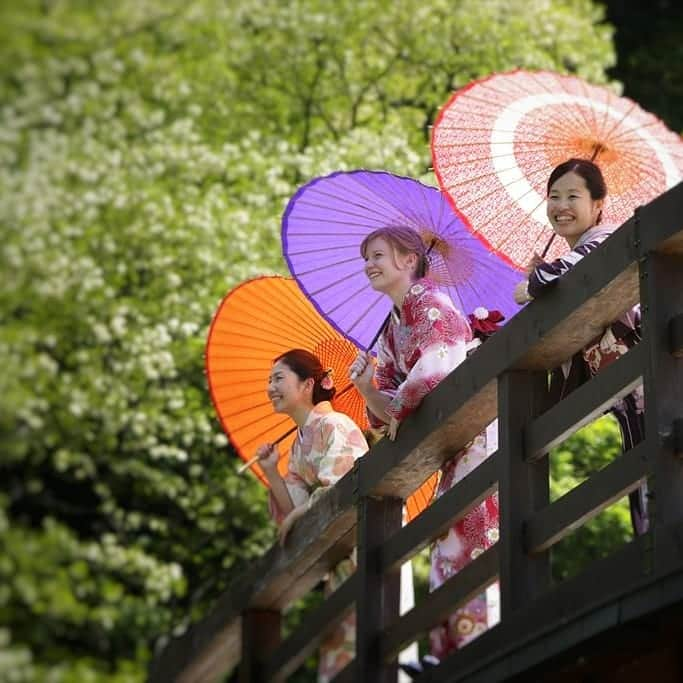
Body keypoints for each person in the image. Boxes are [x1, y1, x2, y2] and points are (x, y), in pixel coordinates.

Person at [349, 226, 500, 664]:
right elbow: (387, 401)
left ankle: (477, 641)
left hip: (474, 426)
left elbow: (438, 366)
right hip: (452, 438)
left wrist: (395, 407)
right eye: (367, 258)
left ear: (408, 259)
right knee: (450, 530)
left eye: (377, 255)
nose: (369, 265)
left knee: (471, 527)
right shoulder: (394, 327)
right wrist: (366, 390)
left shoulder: (430, 302)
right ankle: (451, 644)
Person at [513, 157, 648, 535]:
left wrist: (534, 281)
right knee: (644, 472)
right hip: (626, 387)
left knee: (657, 468)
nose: (561, 206)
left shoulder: (604, 241)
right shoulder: (571, 260)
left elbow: (555, 276)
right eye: (554, 196)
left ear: (598, 205)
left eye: (574, 196)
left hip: (645, 375)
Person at [256, 349, 369, 682]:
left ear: (307, 385)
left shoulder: (334, 424)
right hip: (339, 553)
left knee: (369, 635)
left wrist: (299, 515)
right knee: (340, 642)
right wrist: (272, 473)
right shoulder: (298, 446)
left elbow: (338, 488)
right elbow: (294, 511)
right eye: (269, 380)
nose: (270, 387)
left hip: (365, 539)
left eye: (278, 378)